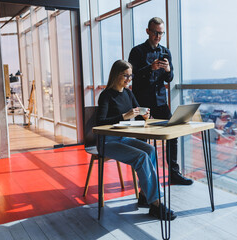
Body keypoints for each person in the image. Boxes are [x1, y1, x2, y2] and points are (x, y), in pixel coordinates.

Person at [97, 59, 176, 220]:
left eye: (130, 76)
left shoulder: (128, 93)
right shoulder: (106, 95)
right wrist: (124, 116)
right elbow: (100, 122)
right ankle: (155, 203)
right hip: (107, 142)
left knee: (150, 150)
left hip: (124, 138)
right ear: (115, 75)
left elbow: (139, 111)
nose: (128, 79)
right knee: (141, 157)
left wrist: (144, 114)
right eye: (125, 75)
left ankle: (144, 195)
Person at [128, 17, 193, 185]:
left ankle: (173, 173)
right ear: (148, 31)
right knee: (142, 142)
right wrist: (150, 68)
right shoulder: (137, 51)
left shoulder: (165, 52)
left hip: (160, 101)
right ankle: (144, 182)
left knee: (173, 133)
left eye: (161, 33)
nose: (158, 36)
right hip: (142, 103)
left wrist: (168, 69)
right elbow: (132, 77)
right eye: (156, 32)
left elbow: (169, 78)